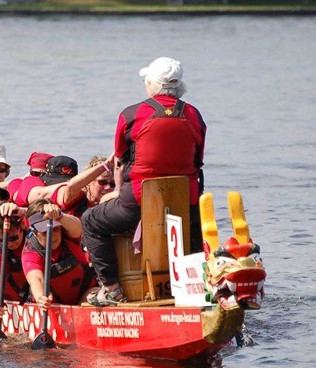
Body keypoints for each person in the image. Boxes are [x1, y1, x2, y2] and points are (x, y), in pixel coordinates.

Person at [82, 56, 206, 306]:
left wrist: (117, 191)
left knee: (91, 221)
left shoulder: (131, 114)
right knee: (193, 230)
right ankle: (197, 291)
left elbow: (119, 160)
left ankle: (112, 290)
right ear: (178, 86)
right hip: (186, 203)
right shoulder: (194, 115)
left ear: (151, 83)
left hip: (137, 201)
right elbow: (197, 161)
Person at [22, 199, 95, 311]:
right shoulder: (31, 251)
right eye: (44, 232)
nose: (52, 235)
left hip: (84, 297)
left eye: (55, 229)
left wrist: (60, 216)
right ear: (35, 233)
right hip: (52, 308)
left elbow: (79, 229)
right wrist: (41, 297)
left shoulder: (67, 232)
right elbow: (36, 278)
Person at [15, 155, 115, 219]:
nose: (108, 188)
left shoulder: (114, 205)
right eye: (102, 182)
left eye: (112, 184)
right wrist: (105, 166)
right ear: (88, 182)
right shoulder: (76, 198)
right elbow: (72, 187)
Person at [0, 202, 29, 320]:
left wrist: (23, 210)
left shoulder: (33, 231)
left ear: (22, 225)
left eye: (13, 238)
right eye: (2, 239)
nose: (8, 243)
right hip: (11, 300)